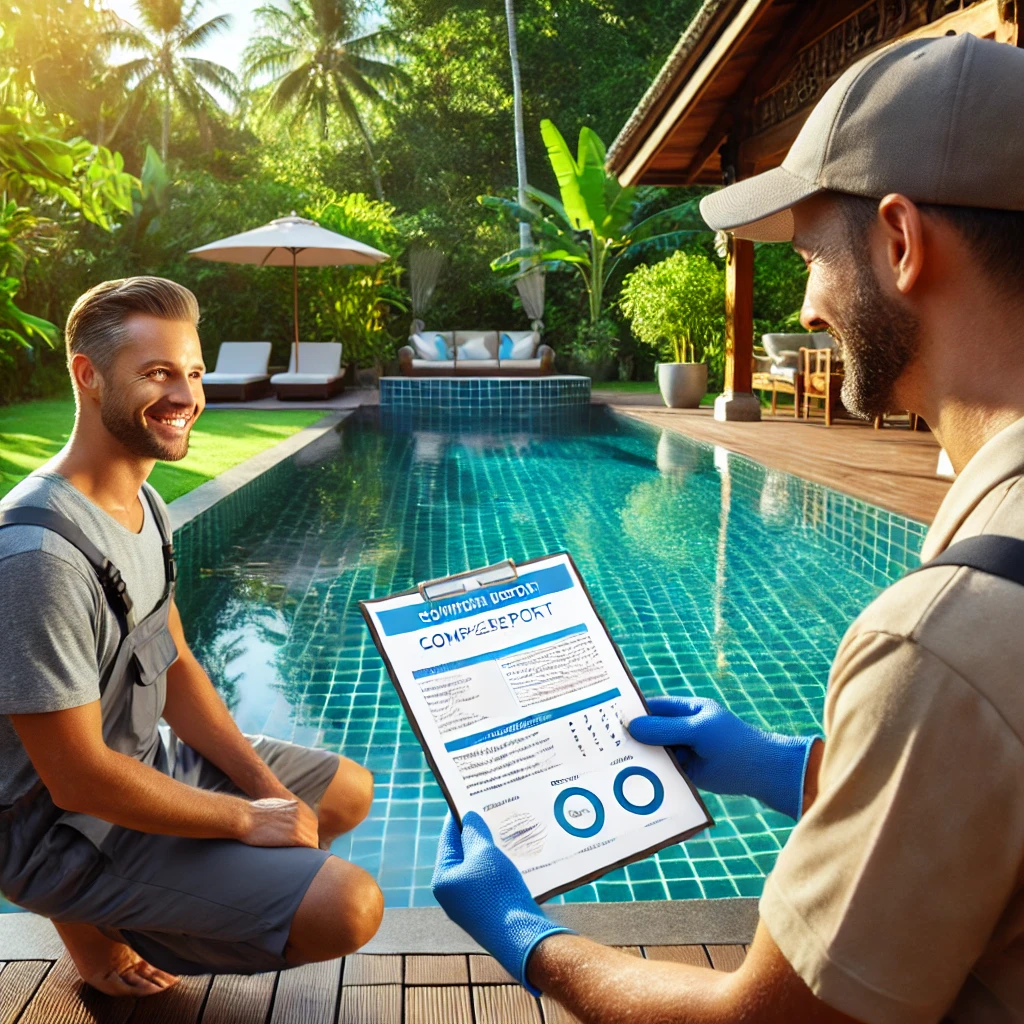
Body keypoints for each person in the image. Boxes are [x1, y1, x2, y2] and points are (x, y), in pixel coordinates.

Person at [431, 32, 1024, 1024]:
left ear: (899, 242)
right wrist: (783, 763)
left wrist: (528, 938)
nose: (806, 302)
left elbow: (767, 1023)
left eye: (806, 254)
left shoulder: (945, 636)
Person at [0, 277, 383, 997]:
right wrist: (242, 817)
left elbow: (175, 669)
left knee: (345, 795)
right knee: (350, 907)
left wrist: (272, 798)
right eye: (156, 374)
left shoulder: (145, 501)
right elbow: (76, 777)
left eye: (194, 373)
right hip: (64, 832)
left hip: (148, 765)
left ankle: (171, 888)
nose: (185, 396)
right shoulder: (37, 557)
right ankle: (89, 920)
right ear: (88, 376)